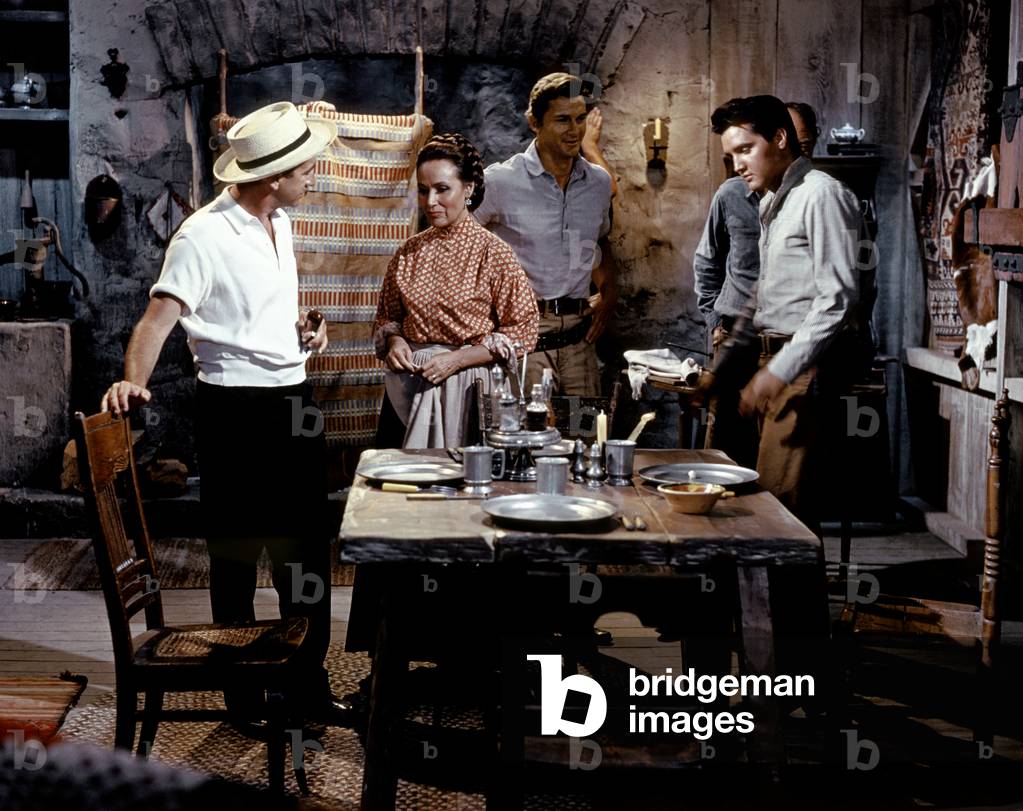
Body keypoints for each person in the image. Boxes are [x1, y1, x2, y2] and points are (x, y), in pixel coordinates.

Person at [100, 101, 350, 726]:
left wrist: (305, 331)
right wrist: (132, 384)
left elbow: (260, 314)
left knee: (305, 556)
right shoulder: (202, 236)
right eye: (305, 170)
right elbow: (157, 320)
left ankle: (305, 684)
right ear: (272, 176)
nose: (313, 177)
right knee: (239, 559)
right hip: (234, 411)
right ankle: (243, 697)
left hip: (294, 402)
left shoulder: (281, 223)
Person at [705, 95, 869, 533]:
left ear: (780, 138)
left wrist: (780, 372)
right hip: (769, 364)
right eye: (730, 155)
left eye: (744, 150)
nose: (737, 164)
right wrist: (729, 365)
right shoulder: (771, 201)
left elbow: (838, 299)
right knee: (754, 504)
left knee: (783, 514)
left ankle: (796, 604)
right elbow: (764, 295)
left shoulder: (822, 195)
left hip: (801, 372)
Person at [373, 132, 539, 448]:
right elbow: (387, 318)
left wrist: (459, 360)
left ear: (469, 189)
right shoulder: (408, 252)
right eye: (423, 191)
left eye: (442, 189)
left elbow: (523, 331)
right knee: (400, 486)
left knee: (463, 485)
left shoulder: (494, 253)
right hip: (409, 386)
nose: (430, 201)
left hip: (468, 387)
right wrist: (394, 342)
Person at [474, 72, 618, 396]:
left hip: (580, 345)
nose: (575, 130)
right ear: (534, 122)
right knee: (525, 441)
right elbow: (458, 241)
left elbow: (601, 240)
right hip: (525, 346)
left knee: (583, 440)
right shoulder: (499, 182)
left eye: (580, 118)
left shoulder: (598, 183)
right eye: (562, 120)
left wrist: (610, 290)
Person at [692, 156, 762, 468]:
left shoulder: (809, 198)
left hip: (782, 338)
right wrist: (714, 320)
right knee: (725, 446)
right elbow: (708, 261)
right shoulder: (730, 195)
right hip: (734, 331)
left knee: (772, 449)